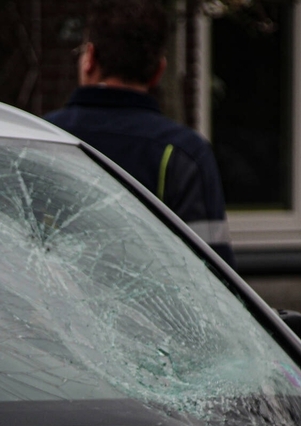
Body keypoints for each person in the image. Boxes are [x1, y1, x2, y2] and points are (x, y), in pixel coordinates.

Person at [45, 0, 234, 267]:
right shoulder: (185, 153)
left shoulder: (42, 137)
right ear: (158, 70)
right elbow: (216, 276)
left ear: (89, 58)